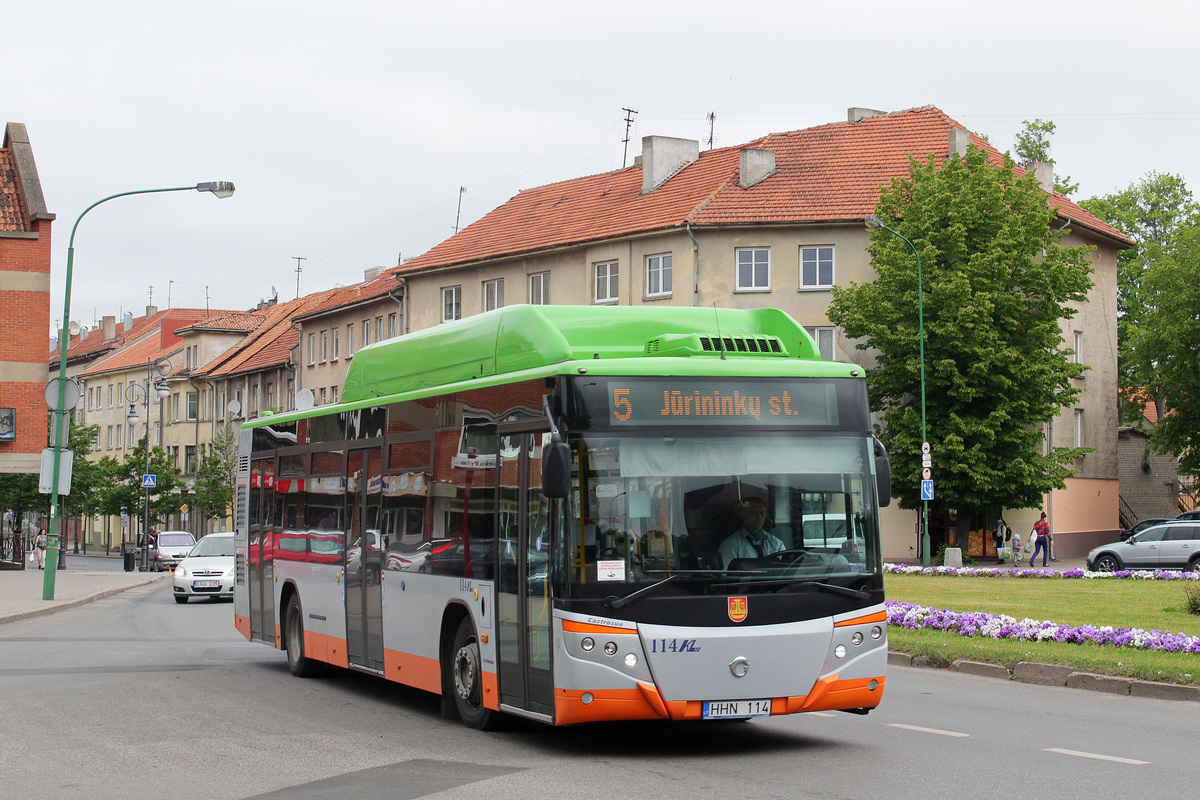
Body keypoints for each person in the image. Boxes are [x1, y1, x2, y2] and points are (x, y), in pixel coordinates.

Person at [718, 497, 785, 566]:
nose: (758, 517)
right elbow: (725, 574)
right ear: (743, 514)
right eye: (753, 513)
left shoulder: (777, 544)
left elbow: (785, 570)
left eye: (761, 513)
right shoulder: (730, 545)